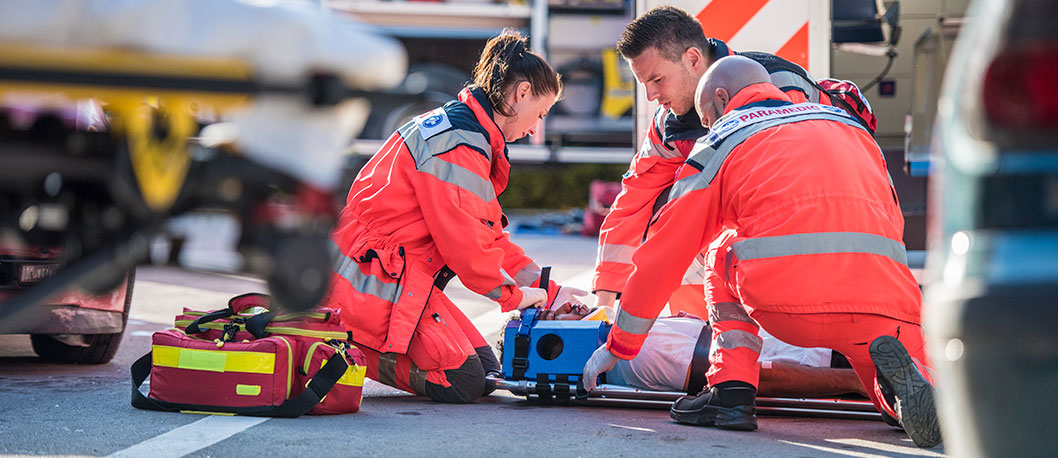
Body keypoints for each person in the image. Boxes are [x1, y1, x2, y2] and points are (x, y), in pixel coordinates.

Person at [583, 56, 941, 448]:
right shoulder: (846, 124)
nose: (708, 126)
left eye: (707, 117)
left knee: (720, 249)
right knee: (890, 386)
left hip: (789, 306)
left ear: (721, 100)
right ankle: (903, 402)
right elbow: (891, 220)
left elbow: (665, 251)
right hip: (888, 303)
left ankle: (730, 392)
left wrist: (621, 344)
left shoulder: (723, 138)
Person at [323, 30, 588, 404]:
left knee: (487, 373)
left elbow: (489, 237)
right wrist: (516, 296)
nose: (534, 129)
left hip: (393, 276)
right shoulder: (459, 145)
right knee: (462, 381)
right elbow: (469, 250)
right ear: (522, 93)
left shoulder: (468, 134)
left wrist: (551, 292)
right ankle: (348, 341)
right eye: (539, 114)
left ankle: (357, 334)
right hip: (371, 282)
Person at [593, 6, 838, 319]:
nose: (652, 95)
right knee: (666, 220)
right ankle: (698, 333)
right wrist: (604, 303)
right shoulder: (669, 123)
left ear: (693, 59)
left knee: (697, 223)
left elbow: (795, 196)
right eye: (645, 84)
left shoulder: (779, 90)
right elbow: (633, 203)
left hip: (814, 235)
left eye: (657, 79)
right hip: (773, 235)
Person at [517, 304, 867, 398]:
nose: (569, 306)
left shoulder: (628, 333)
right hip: (825, 357)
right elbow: (747, 377)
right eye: (554, 316)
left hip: (824, 339)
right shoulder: (635, 357)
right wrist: (855, 381)